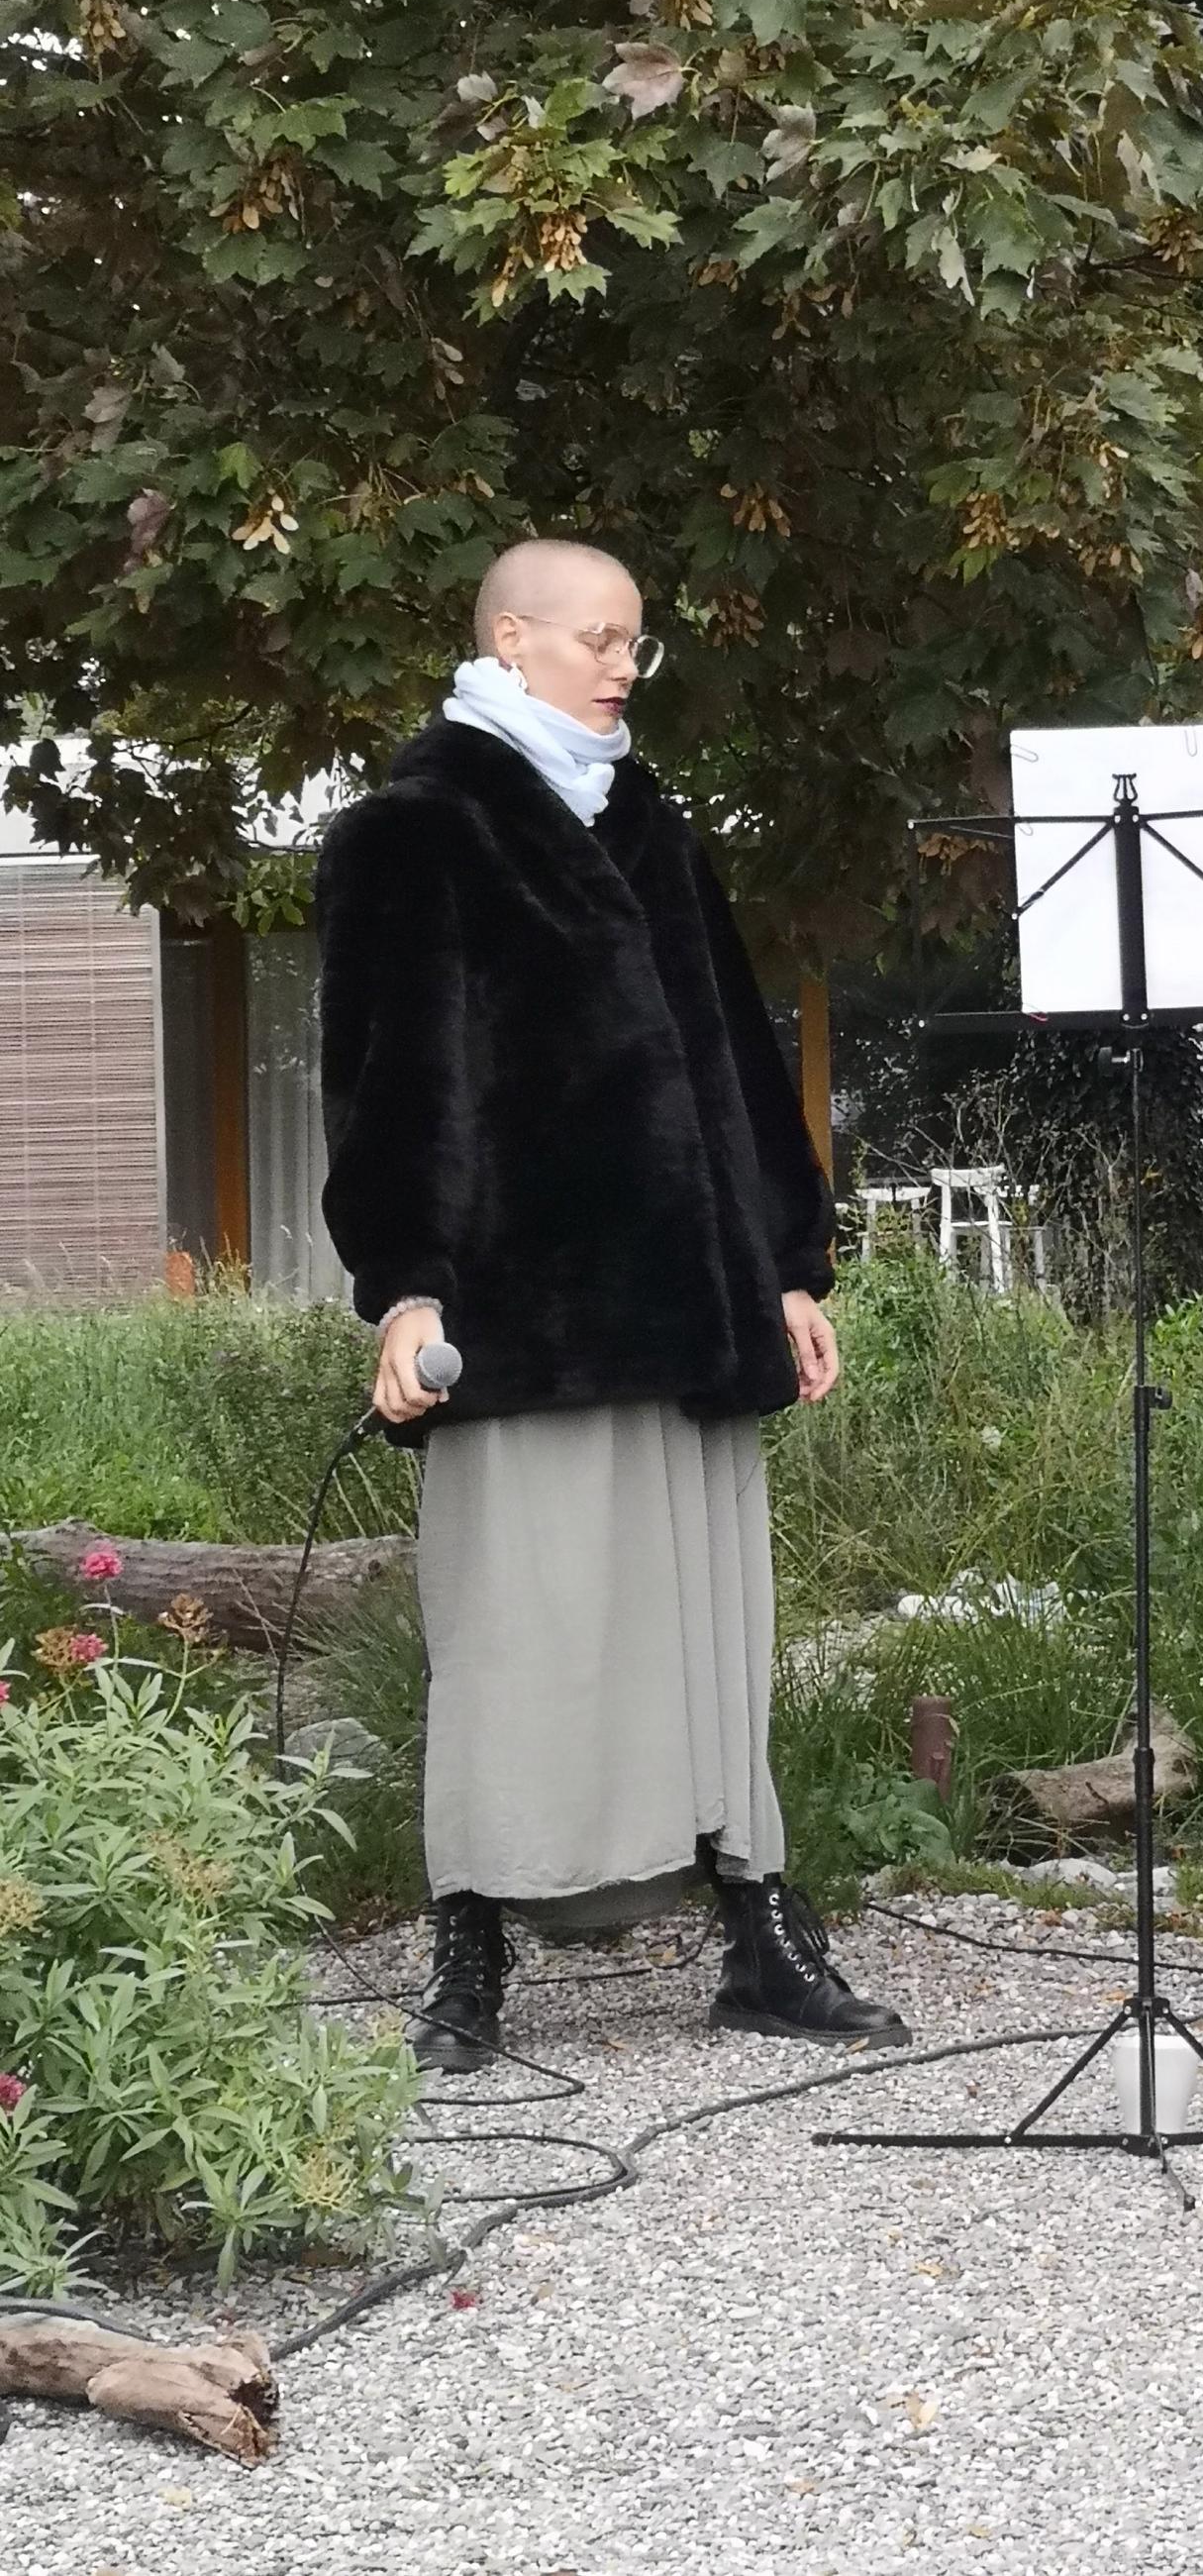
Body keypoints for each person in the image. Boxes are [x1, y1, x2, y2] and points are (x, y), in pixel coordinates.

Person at [316, 538, 905, 2070]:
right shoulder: (414, 828)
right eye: (597, 636)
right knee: (517, 1637)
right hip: (526, 1310)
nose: (624, 662)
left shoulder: (649, 822)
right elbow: (389, 1083)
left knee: (712, 1634)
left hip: (694, 1300)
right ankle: (470, 1953)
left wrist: (788, 1263)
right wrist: (404, 1288)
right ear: (510, 639)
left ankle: (757, 1933)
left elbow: (732, 1058)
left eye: (637, 639)